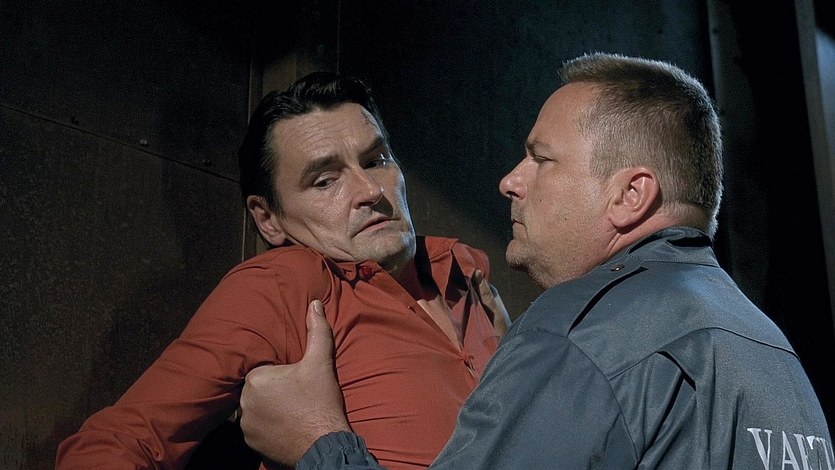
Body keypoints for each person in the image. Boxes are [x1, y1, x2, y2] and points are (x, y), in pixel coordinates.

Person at [235, 52, 834, 469]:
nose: (510, 181)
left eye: (541, 159)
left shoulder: (581, 338)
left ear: (631, 195)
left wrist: (320, 445)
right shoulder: (776, 360)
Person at [56, 72, 510, 469]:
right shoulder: (287, 284)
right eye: (325, 181)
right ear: (268, 219)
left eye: (376, 161)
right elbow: (113, 445)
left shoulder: (465, 275)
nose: (371, 190)